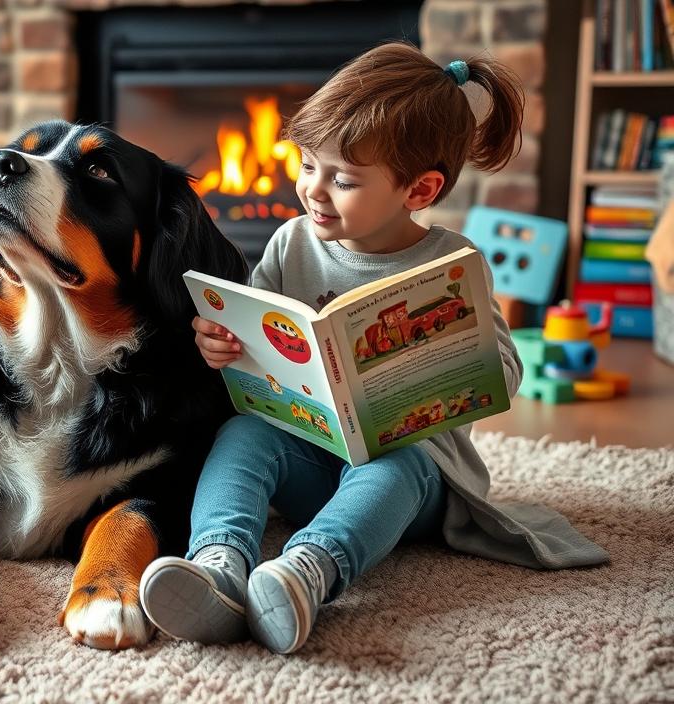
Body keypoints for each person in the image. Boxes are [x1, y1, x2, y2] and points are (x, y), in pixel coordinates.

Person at [138, 42, 610, 654]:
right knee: (243, 438)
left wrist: (437, 367)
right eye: (307, 165)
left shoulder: (450, 262)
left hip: (411, 481)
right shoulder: (290, 244)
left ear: (419, 190)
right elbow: (255, 332)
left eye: (344, 179)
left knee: (401, 462)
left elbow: (506, 368)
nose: (314, 190)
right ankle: (220, 567)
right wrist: (222, 342)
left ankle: (310, 570)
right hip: (311, 453)